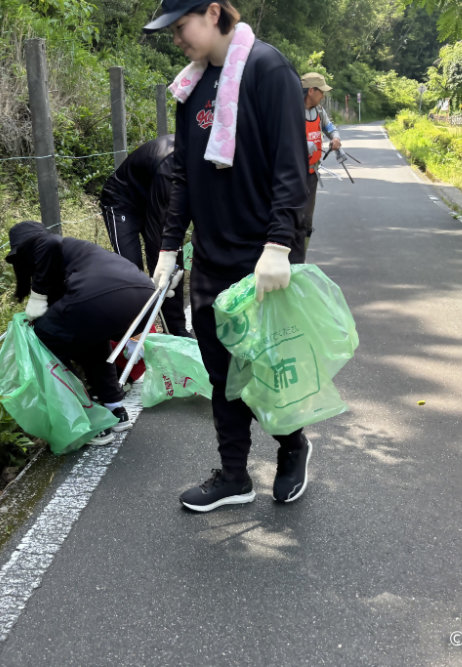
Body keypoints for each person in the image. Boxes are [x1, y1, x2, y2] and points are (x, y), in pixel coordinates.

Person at [143, 0, 312, 511]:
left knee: (267, 362)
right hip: (213, 255)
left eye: (181, 26)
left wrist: (279, 245)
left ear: (213, 12)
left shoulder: (266, 67)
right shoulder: (191, 86)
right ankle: (235, 475)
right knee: (221, 369)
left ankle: (292, 447)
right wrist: (169, 249)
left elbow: (291, 165)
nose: (176, 38)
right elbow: (184, 176)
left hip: (264, 253)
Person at [5, 221, 155, 444]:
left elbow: (48, 242)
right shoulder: (77, 256)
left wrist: (37, 296)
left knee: (41, 342)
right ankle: (115, 409)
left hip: (100, 295)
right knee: (92, 342)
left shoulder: (52, 246)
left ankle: (88, 419)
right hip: (144, 294)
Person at [100, 135, 191, 337]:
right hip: (123, 202)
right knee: (133, 271)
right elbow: (159, 239)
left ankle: (176, 329)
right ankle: (138, 333)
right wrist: (165, 263)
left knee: (174, 263)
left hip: (153, 197)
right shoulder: (170, 168)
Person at [291, 72, 341, 263]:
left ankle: (300, 261)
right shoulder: (291, 110)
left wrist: (335, 138)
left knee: (306, 221)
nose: (324, 95)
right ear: (311, 90)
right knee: (289, 218)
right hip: (292, 175)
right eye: (321, 91)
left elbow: (330, 128)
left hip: (311, 175)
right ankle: (285, 260)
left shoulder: (319, 110)